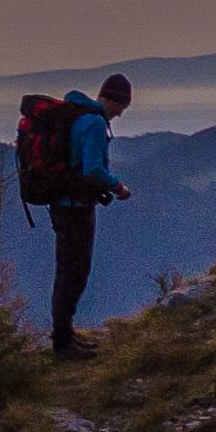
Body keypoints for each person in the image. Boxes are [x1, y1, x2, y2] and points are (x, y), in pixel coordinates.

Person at [50, 73, 132, 358]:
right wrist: (118, 187)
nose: (121, 113)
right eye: (122, 106)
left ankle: (66, 335)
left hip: (62, 204)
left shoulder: (80, 116)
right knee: (74, 272)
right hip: (76, 207)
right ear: (115, 100)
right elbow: (93, 168)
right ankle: (63, 343)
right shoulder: (95, 123)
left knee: (67, 270)